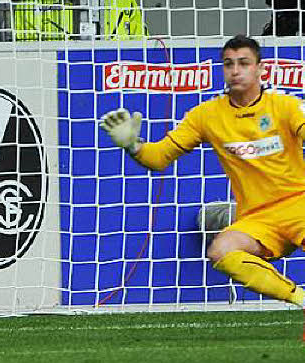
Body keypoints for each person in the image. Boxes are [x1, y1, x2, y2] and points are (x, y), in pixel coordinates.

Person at [100, 35, 305, 322]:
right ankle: (299, 296)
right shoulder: (207, 115)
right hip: (258, 219)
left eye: (244, 63)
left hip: (299, 205)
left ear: (260, 69)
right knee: (221, 250)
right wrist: (133, 145)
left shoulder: (285, 106)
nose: (235, 70)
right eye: (228, 64)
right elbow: (158, 157)